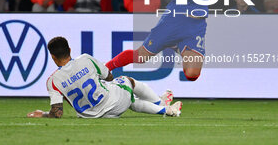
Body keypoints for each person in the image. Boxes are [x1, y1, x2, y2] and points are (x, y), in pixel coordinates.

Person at [27, 36, 182, 118]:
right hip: (113, 103)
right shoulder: (85, 59)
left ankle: (164, 107)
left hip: (90, 116)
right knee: (128, 81)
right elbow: (108, 77)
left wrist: (44, 114)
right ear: (69, 49)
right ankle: (162, 104)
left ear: (53, 57)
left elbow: (57, 112)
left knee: (130, 100)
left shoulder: (52, 81)